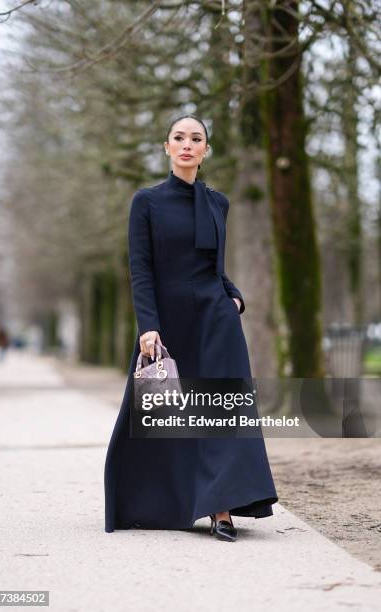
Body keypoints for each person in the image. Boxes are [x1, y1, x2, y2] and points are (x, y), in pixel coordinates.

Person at [104, 114, 278, 541]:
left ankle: (222, 508)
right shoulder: (146, 201)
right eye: (179, 138)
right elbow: (140, 269)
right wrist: (148, 326)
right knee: (166, 413)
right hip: (167, 322)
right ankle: (160, 501)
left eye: (195, 139)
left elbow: (214, 266)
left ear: (205, 149)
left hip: (216, 319)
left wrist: (234, 295)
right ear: (166, 147)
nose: (187, 144)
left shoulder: (219, 203)